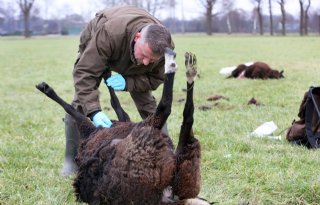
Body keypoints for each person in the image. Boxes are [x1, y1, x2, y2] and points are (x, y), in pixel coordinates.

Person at [61, 5, 174, 177]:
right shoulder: (109, 33)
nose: (145, 62)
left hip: (129, 57)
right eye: (144, 55)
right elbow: (85, 73)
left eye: (151, 60)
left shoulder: (164, 49)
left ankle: (167, 157)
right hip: (99, 43)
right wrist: (94, 110)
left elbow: (156, 78)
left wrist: (128, 82)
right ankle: (71, 160)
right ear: (138, 37)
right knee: (79, 105)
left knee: (149, 108)